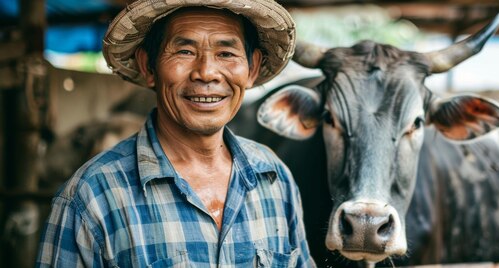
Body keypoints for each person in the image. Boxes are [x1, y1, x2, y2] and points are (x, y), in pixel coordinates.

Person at [35, 0, 314, 267]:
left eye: (226, 53)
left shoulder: (274, 177)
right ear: (148, 67)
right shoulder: (92, 195)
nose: (206, 73)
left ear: (252, 68)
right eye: (185, 51)